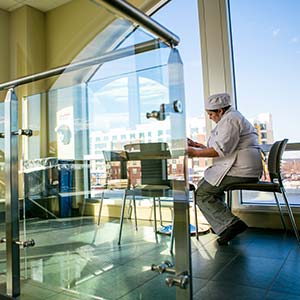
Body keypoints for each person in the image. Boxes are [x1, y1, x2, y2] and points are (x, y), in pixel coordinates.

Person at [187, 93, 263, 245]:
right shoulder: (229, 119)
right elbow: (217, 148)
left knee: (202, 193)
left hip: (241, 170)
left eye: (210, 114)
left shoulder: (230, 119)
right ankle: (223, 226)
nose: (209, 117)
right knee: (207, 186)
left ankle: (231, 224)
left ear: (220, 111)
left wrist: (194, 153)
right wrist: (196, 145)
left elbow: (220, 150)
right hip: (239, 166)